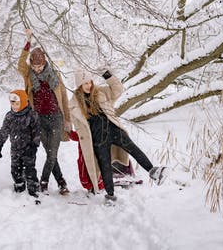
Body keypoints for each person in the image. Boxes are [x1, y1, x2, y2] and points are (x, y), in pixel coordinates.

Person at [69, 68, 167, 204]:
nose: (88, 86)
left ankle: (153, 171)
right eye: (85, 83)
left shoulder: (101, 92)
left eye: (89, 82)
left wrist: (107, 75)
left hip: (113, 129)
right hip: (98, 138)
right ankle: (110, 196)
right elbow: (79, 128)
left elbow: (118, 89)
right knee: (105, 166)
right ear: (79, 85)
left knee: (132, 148)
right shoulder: (74, 104)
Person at [17, 28, 71, 195]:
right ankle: (62, 183)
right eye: (35, 66)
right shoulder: (28, 75)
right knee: (50, 154)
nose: (38, 69)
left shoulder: (55, 75)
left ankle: (44, 182)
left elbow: (63, 97)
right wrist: (27, 42)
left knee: (52, 153)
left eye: (40, 66)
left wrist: (67, 119)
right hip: (39, 119)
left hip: (56, 118)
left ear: (45, 63)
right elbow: (20, 64)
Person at [0, 89, 41, 198]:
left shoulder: (32, 115)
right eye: (12, 103)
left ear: (24, 102)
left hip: (29, 148)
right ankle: (19, 184)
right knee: (15, 169)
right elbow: (4, 130)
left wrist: (34, 146)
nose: (15, 106)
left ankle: (33, 187)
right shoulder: (10, 116)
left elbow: (37, 132)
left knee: (30, 169)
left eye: (17, 103)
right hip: (15, 148)